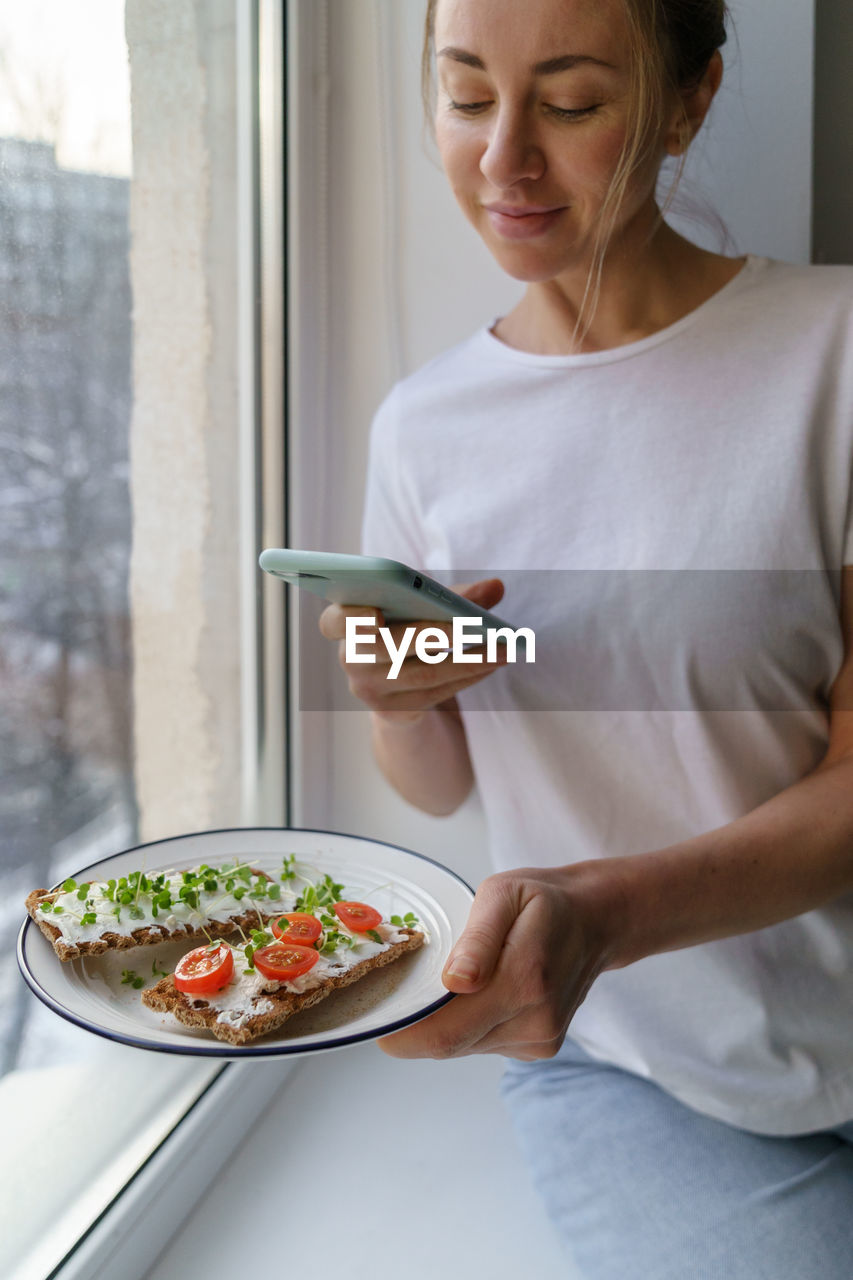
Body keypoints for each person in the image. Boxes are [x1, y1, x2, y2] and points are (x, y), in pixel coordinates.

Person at [319, 1, 853, 1275]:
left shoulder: (833, 352)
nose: (504, 156)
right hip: (623, 1063)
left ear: (688, 99)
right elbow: (442, 782)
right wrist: (400, 701)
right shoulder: (422, 428)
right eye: (463, 96)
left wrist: (606, 906)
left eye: (567, 103)